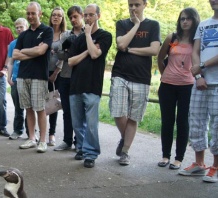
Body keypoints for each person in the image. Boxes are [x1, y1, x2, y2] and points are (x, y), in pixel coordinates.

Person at [109, 0, 160, 165]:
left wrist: (130, 50)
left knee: (134, 116)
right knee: (117, 111)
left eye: (136, 4)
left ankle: (125, 152)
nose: (133, 8)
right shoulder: (122, 23)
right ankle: (125, 138)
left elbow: (154, 50)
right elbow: (121, 43)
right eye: (130, 5)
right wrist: (136, 25)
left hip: (141, 77)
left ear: (145, 5)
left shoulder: (153, 25)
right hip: (120, 74)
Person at [178, 0, 218, 183]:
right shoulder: (203, 24)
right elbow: (195, 50)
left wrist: (201, 65)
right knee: (195, 121)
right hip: (201, 81)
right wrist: (199, 74)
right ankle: (199, 164)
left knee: (217, 126)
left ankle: (215, 166)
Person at [68, 4, 112, 168]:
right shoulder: (77, 39)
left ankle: (90, 154)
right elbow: (71, 61)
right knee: (77, 124)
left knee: (91, 125)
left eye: (91, 15)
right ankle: (81, 148)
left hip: (93, 86)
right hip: (75, 86)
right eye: (85, 15)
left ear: (98, 16)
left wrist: (87, 36)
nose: (87, 18)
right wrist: (86, 50)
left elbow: (95, 54)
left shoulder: (105, 36)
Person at [156, 8, 200, 170]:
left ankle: (178, 158)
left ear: (195, 20)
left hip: (187, 86)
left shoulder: (197, 41)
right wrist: (164, 74)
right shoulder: (172, 37)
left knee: (183, 122)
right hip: (167, 85)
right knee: (167, 121)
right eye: (182, 19)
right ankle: (165, 155)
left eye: (188, 19)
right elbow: (160, 58)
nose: (185, 22)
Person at [13, 2, 53, 153]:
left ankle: (42, 141)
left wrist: (26, 51)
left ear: (40, 14)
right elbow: (15, 54)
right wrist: (33, 50)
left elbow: (42, 51)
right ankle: (31, 138)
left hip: (39, 76)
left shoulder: (47, 31)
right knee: (28, 108)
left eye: (33, 13)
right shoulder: (23, 34)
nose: (30, 16)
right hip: (23, 76)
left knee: (39, 109)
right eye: (28, 13)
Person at [54, 5, 84, 151]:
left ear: (82, 16)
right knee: (67, 110)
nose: (73, 19)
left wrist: (69, 52)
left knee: (80, 111)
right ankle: (67, 140)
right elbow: (59, 55)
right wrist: (69, 52)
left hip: (82, 77)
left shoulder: (89, 33)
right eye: (71, 17)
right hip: (65, 76)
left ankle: (79, 141)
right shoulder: (65, 35)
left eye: (75, 16)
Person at [7, 18, 29, 140]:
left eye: (21, 26)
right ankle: (17, 130)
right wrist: (9, 77)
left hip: (28, 78)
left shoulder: (31, 41)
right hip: (15, 79)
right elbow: (10, 62)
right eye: (17, 27)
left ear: (26, 27)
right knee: (18, 107)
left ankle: (31, 132)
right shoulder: (12, 44)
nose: (19, 29)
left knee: (30, 108)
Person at [46, 7, 65, 146]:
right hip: (42, 73)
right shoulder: (46, 32)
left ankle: (51, 134)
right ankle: (35, 132)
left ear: (62, 18)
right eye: (54, 15)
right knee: (39, 103)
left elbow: (64, 56)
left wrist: (55, 73)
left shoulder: (65, 35)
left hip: (57, 74)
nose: (56, 17)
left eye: (59, 15)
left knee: (53, 104)